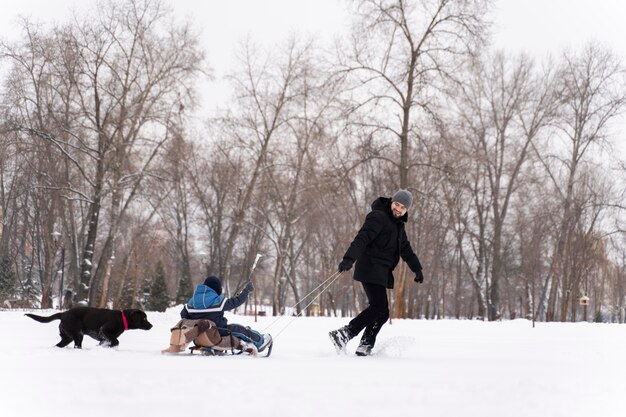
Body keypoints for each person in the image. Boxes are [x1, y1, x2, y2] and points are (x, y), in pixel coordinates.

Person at [329, 189, 424, 356]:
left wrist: (417, 269)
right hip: (370, 267)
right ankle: (344, 334)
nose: (398, 209)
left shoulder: (398, 227)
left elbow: (406, 250)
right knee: (378, 307)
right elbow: (362, 238)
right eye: (396, 204)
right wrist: (349, 259)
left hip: (381, 271)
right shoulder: (378, 217)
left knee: (382, 313)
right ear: (391, 202)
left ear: (406, 210)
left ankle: (364, 345)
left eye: (402, 207)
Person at [180, 275, 272, 353]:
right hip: (217, 333)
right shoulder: (216, 300)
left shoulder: (191, 302)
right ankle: (261, 341)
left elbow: (183, 315)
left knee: (235, 329)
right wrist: (246, 291)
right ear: (216, 289)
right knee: (239, 329)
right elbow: (235, 302)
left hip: (198, 338)